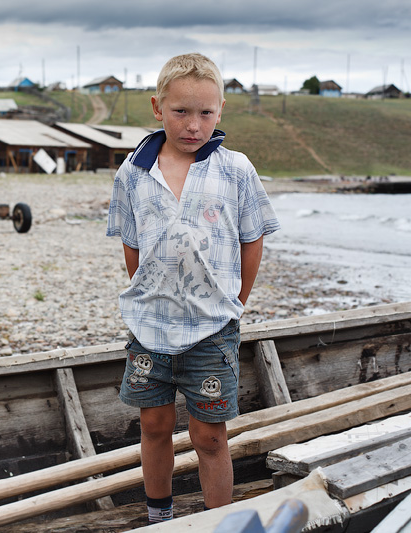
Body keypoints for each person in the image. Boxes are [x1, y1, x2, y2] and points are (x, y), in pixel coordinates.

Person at [106, 52, 280, 523]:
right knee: (155, 425)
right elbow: (131, 244)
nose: (193, 124)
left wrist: (235, 304)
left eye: (206, 112)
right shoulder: (133, 172)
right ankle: (158, 514)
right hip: (150, 328)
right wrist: (151, 297)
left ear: (221, 109)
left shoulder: (235, 170)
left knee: (210, 435)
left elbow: (252, 239)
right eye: (181, 111)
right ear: (157, 107)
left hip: (211, 330)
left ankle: (216, 519)